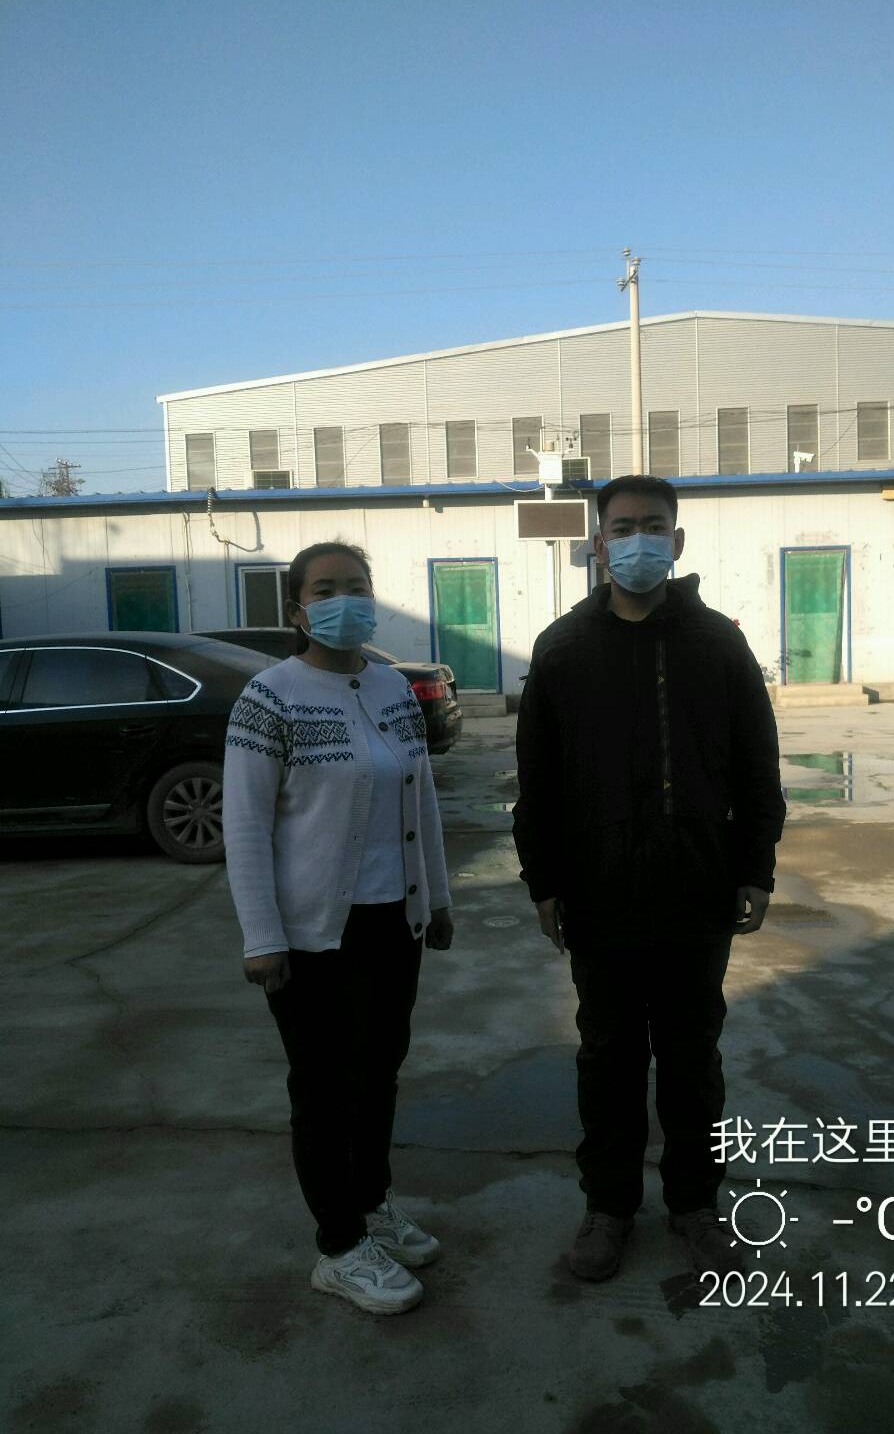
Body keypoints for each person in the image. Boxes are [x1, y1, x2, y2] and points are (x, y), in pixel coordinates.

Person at [512, 475, 785, 1280]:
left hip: (697, 892)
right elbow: (539, 780)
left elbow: (757, 764)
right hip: (600, 896)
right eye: (624, 527)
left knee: (693, 1060)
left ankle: (695, 1205)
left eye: (653, 525)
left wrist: (756, 867)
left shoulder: (718, 644)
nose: (639, 540)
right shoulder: (563, 649)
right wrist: (543, 881)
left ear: (677, 540)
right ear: (598, 543)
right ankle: (608, 1209)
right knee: (609, 1059)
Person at [221, 540, 454, 1316]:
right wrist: (262, 937)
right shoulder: (270, 697)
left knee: (379, 1073)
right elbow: (245, 826)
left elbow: (421, 799)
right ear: (297, 609)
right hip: (312, 937)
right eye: (325, 589)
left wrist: (437, 899)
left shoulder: (392, 688)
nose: (344, 600)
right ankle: (339, 1245)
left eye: (357, 586)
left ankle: (371, 1204)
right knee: (324, 1089)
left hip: (394, 922)